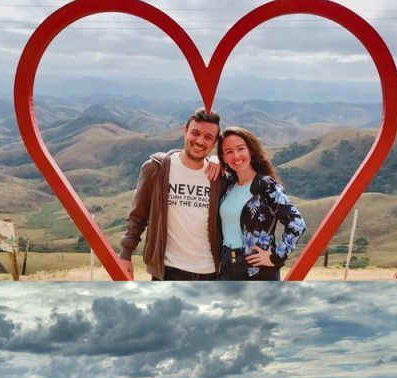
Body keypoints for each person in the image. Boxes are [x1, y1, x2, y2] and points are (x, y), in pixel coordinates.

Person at [119, 108, 222, 280]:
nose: (200, 141)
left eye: (208, 137)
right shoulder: (156, 169)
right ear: (185, 131)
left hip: (210, 273)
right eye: (195, 133)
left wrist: (218, 160)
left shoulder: (219, 176)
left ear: (215, 142)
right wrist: (125, 255)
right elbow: (137, 216)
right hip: (167, 272)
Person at [215, 126, 306, 280]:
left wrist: (276, 257)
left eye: (240, 149)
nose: (236, 155)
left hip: (256, 269)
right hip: (226, 265)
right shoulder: (228, 185)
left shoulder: (265, 185)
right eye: (229, 151)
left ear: (250, 150)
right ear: (223, 157)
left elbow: (297, 223)